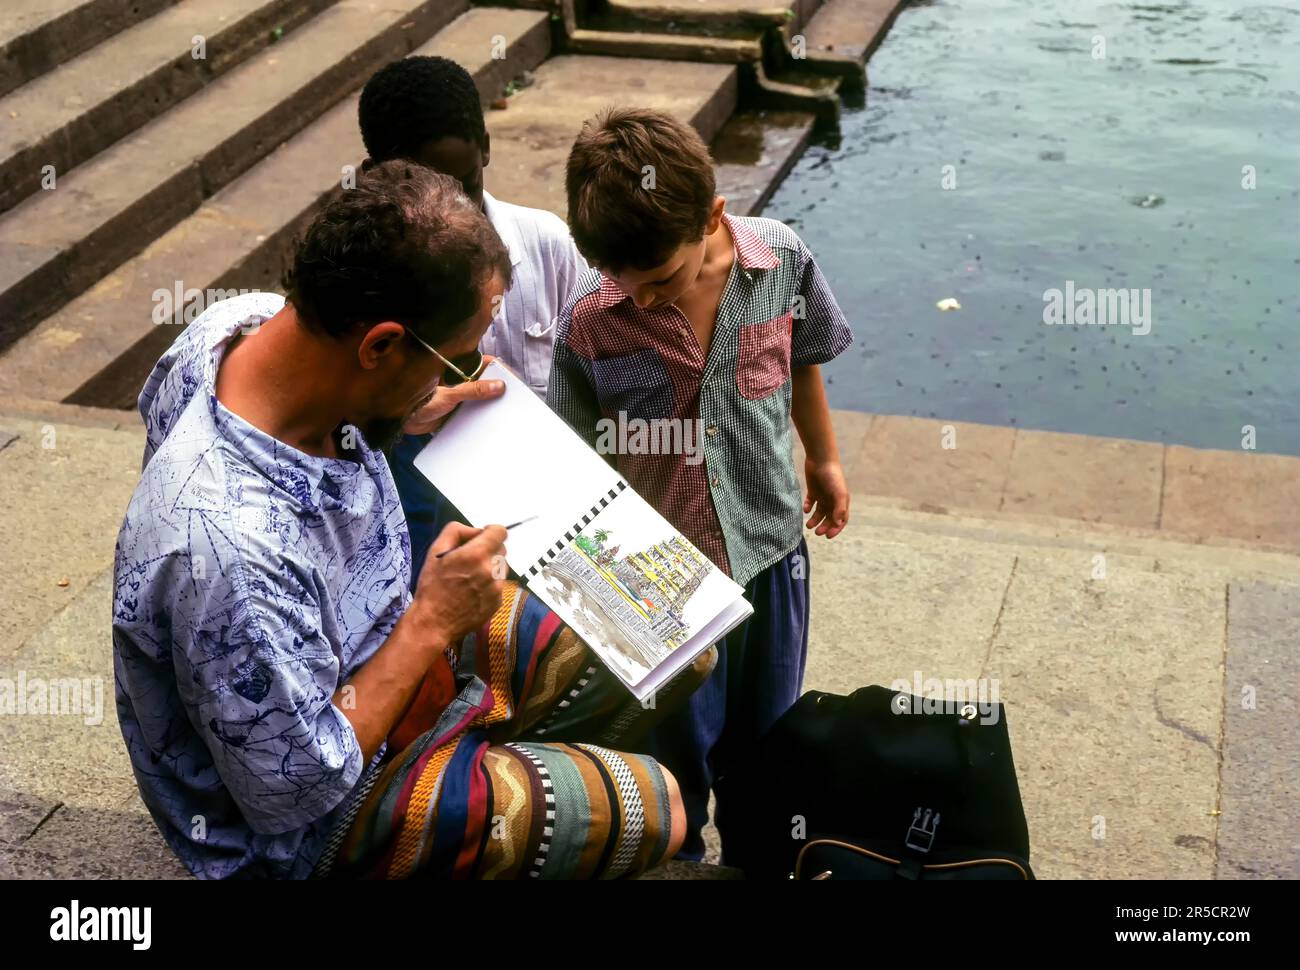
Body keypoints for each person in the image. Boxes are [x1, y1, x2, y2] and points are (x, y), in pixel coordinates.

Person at [111, 161, 705, 879]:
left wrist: (404, 408)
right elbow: (294, 788)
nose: (457, 377)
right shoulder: (230, 550)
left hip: (378, 656)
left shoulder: (233, 328)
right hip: (312, 825)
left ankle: (477, 776)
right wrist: (430, 621)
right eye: (451, 363)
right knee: (658, 805)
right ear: (381, 345)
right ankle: (453, 815)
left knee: (671, 633)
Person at [548, 107, 854, 861]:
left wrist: (823, 458)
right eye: (624, 281)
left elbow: (802, 356)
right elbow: (570, 459)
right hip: (654, 584)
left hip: (767, 548)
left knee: (768, 748)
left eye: (663, 280)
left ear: (714, 217)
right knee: (664, 770)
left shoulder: (781, 259)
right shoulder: (590, 320)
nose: (642, 298)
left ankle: (761, 860)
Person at [357, 55, 589, 579]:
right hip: (417, 524)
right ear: (378, 177)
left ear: (486, 146)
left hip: (545, 510)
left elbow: (592, 370)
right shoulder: (362, 283)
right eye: (426, 191)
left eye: (465, 183)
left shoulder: (547, 245)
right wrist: (401, 419)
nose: (454, 211)